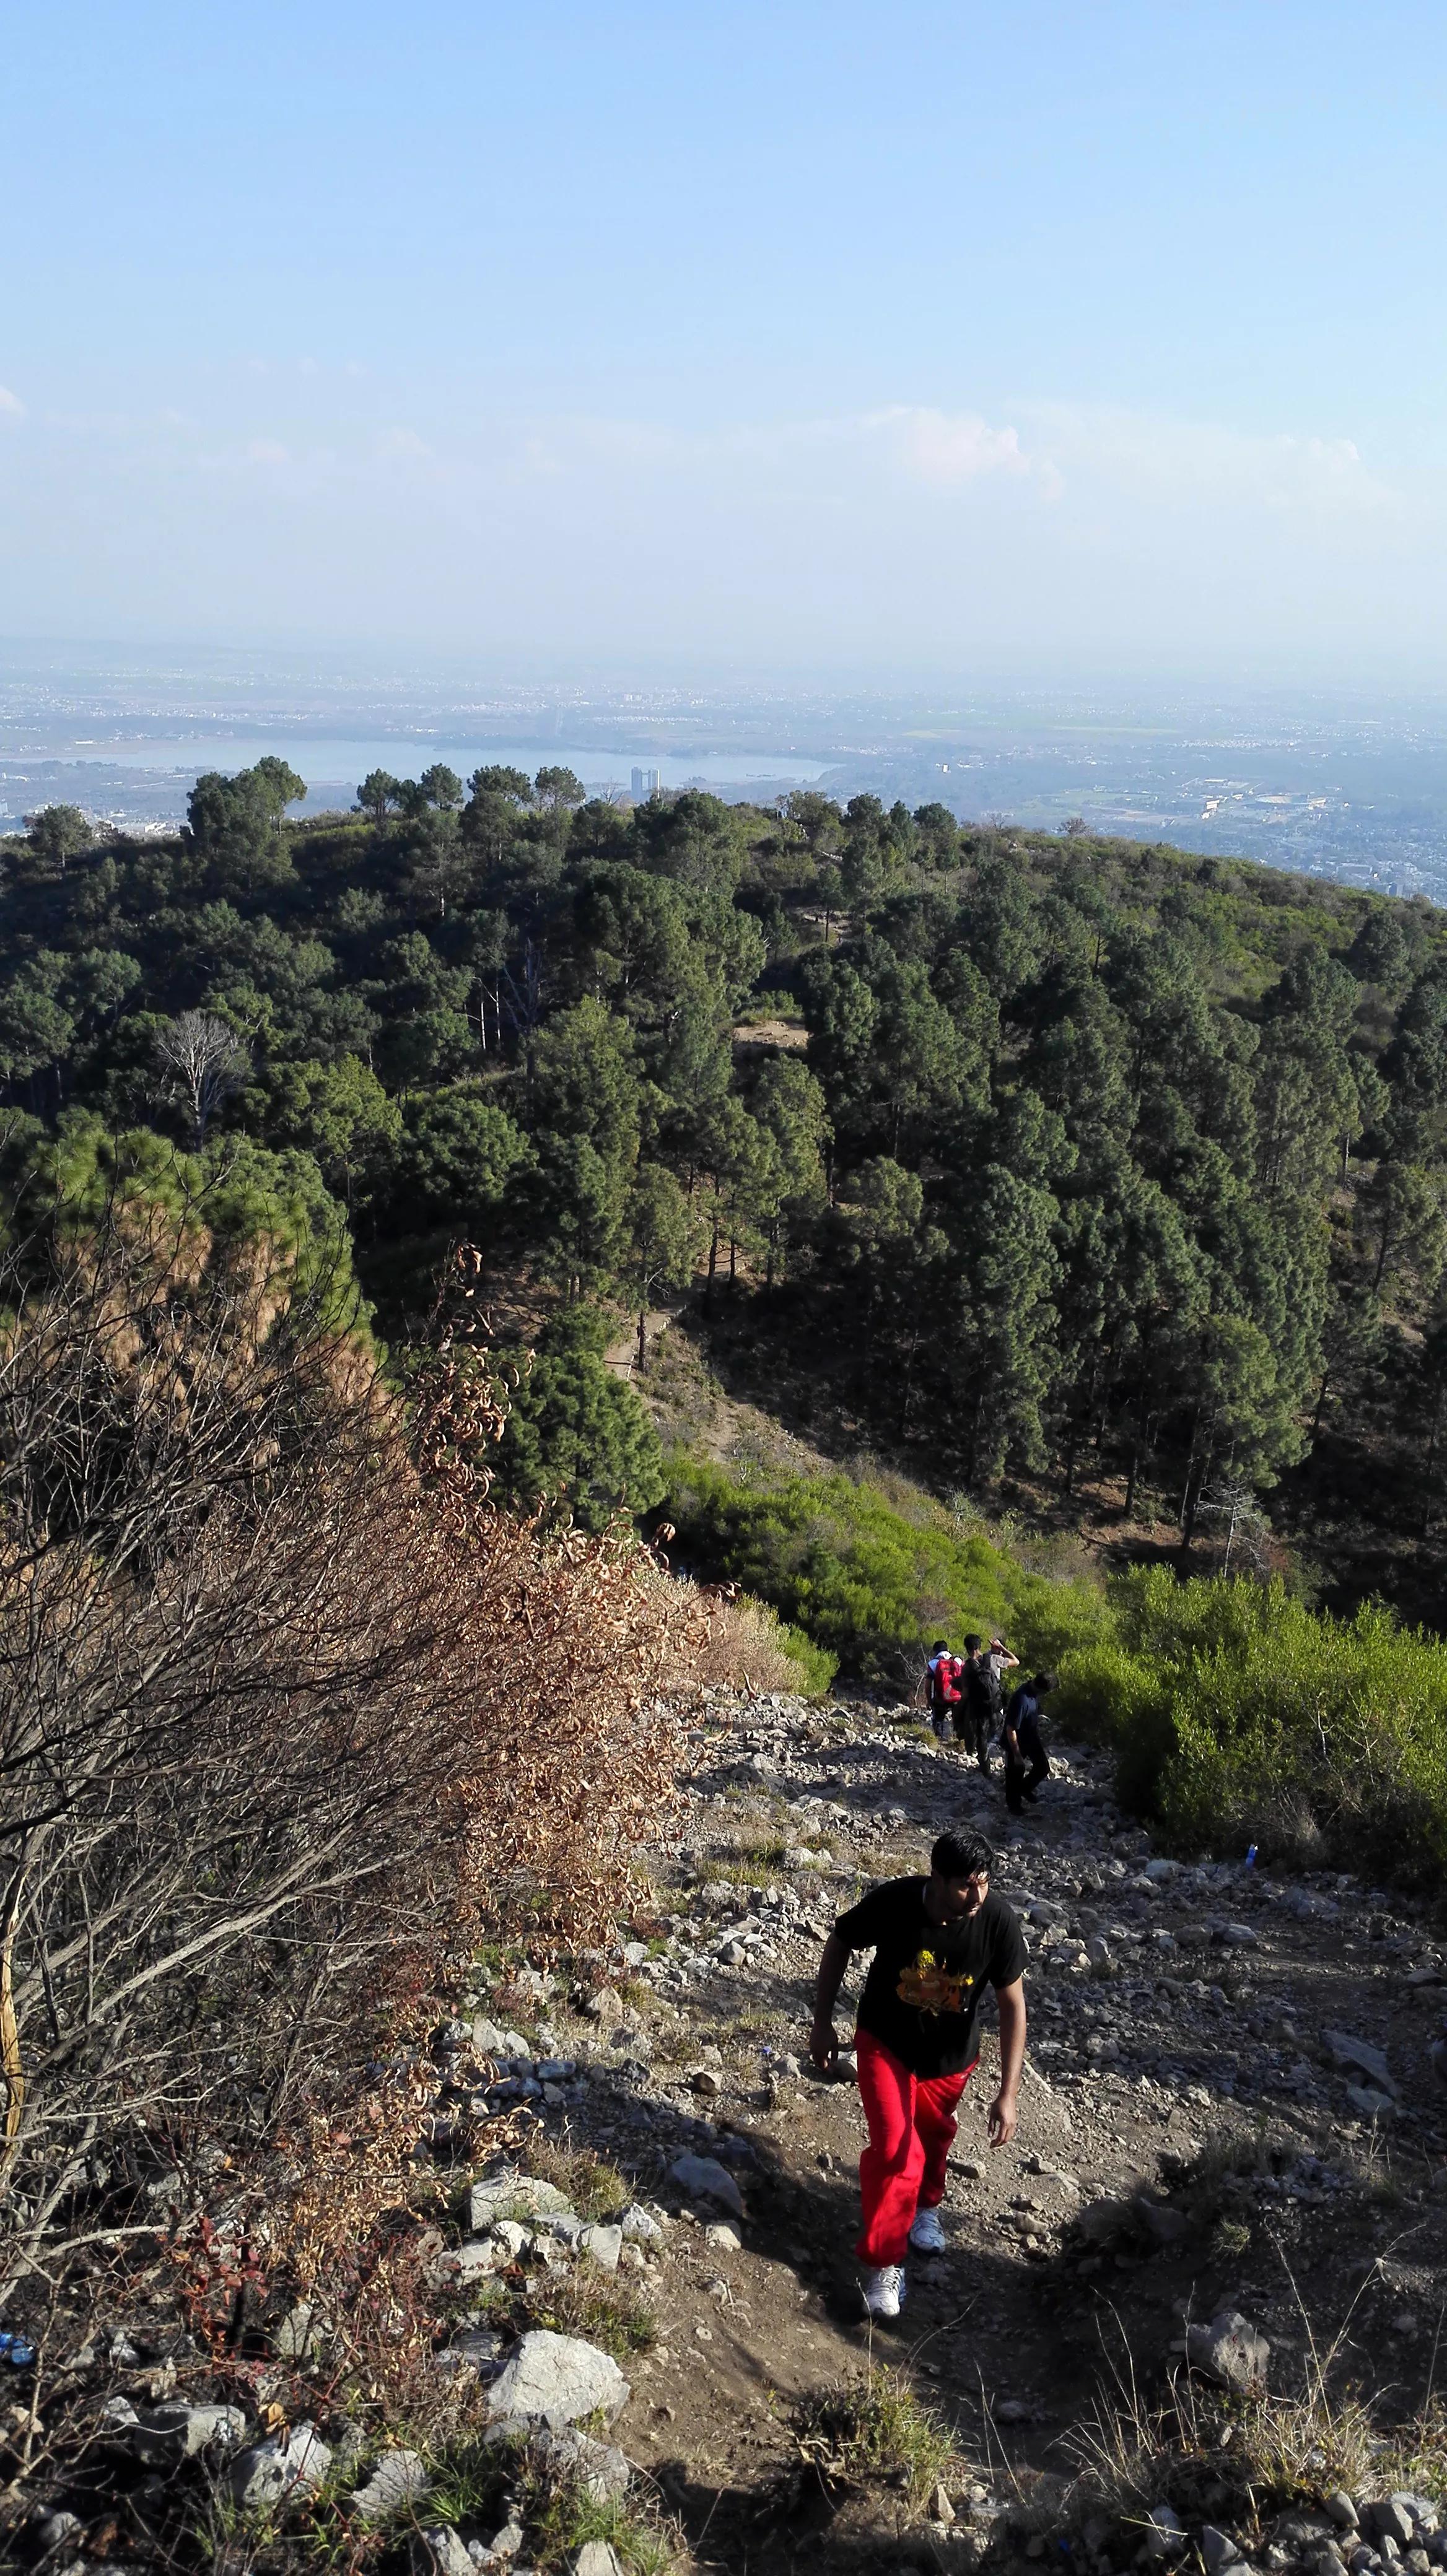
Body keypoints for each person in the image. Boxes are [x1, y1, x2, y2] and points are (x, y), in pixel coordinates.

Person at [808, 1828, 1026, 2320]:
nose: (977, 1896)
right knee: (895, 2150)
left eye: (985, 1883)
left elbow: (1013, 2005)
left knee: (932, 2138)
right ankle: (884, 2264)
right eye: (965, 1886)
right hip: (886, 2044)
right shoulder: (896, 1902)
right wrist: (822, 2023)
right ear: (938, 1878)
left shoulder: (997, 1921)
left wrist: (1007, 2093)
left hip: (950, 2061)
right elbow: (840, 1940)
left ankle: (926, 2207)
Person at [961, 1634, 1018, 1773]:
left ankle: (985, 1768)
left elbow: (965, 1694)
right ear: (980, 1646)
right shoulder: (994, 1659)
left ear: (966, 1647)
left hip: (977, 1709)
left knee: (981, 1738)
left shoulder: (967, 1667)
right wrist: (1001, 1647)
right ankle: (1006, 1767)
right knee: (995, 1736)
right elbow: (1016, 1661)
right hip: (995, 1707)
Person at [1002, 1671, 1054, 1813]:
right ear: (1042, 1689)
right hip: (1015, 1742)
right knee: (1014, 1773)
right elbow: (1010, 1729)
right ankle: (1014, 1806)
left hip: (1030, 1737)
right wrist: (1017, 1755)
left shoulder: (1033, 1692)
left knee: (1043, 1767)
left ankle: (1024, 1789)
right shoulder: (1022, 1699)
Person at [925, 1638, 964, 1744]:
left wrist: (929, 1700)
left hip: (940, 1698)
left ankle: (938, 1743)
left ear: (935, 1651)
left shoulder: (933, 1663)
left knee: (938, 1720)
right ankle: (959, 1742)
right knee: (958, 1720)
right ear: (947, 1649)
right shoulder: (958, 1661)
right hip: (958, 1697)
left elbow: (928, 1685)